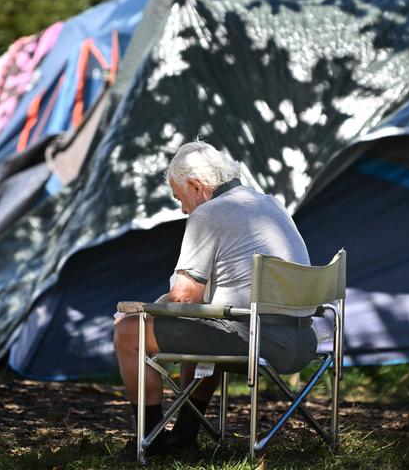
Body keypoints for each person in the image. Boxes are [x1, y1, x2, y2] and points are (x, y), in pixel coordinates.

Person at [113, 139, 317, 458]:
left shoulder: (209, 213)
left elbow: (183, 299)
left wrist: (140, 314)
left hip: (259, 341)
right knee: (205, 326)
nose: (183, 209)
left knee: (128, 332)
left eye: (180, 198)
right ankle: (183, 439)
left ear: (196, 186)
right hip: (303, 342)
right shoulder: (268, 203)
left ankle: (149, 441)